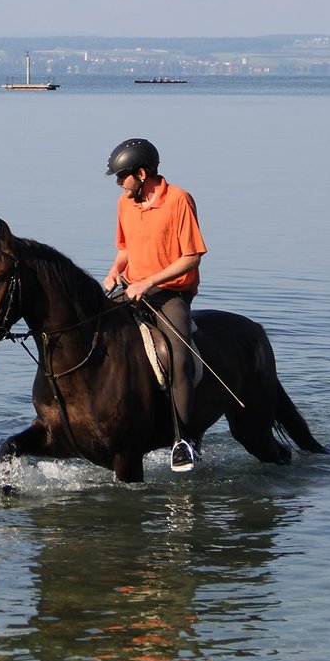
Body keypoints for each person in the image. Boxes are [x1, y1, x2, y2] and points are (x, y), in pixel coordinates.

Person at [101, 138, 207, 472]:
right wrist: (114, 270)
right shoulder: (124, 203)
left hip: (170, 294)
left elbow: (191, 257)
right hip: (133, 290)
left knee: (178, 355)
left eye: (122, 176)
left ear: (142, 173)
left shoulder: (179, 200)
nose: (119, 183)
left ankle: (183, 441)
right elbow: (126, 249)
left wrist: (150, 282)